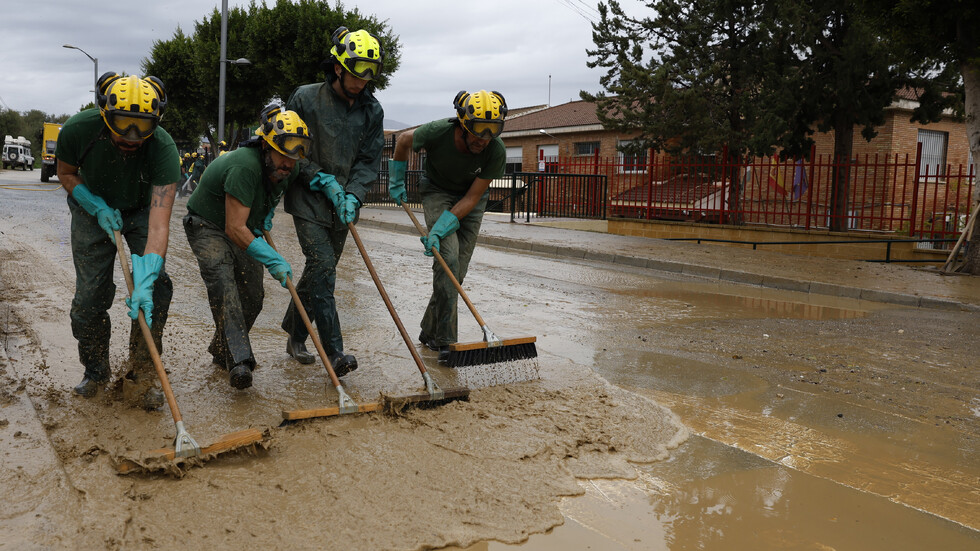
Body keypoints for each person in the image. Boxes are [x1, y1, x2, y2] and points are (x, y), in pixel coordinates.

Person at [56, 72, 180, 406]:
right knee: (89, 299)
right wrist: (95, 206)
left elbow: (158, 226)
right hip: (91, 206)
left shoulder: (165, 150)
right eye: (122, 123)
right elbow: (66, 173)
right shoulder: (78, 130)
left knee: (157, 289)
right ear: (104, 115)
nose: (132, 135)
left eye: (142, 126)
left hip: (141, 210)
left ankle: (139, 376)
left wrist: (147, 276)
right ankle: (95, 372)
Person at [279, 26, 385, 375]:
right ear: (338, 67)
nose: (363, 80)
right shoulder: (305, 98)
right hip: (307, 197)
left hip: (343, 205)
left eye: (370, 72)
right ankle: (335, 353)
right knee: (323, 266)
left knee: (319, 273)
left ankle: (295, 333)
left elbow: (369, 161)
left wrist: (353, 193)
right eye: (357, 71)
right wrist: (319, 178)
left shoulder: (372, 110)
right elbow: (288, 149)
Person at [183, 105, 311, 389]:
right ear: (266, 147)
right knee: (225, 284)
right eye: (283, 155)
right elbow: (233, 228)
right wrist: (272, 258)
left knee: (253, 295)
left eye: (294, 157)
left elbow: (268, 198)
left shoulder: (290, 166)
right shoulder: (244, 165)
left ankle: (222, 351)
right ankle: (240, 362)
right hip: (208, 225)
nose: (288, 164)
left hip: (244, 226)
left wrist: (264, 215)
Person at [388, 90, 508, 363]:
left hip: (471, 200)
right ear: (463, 124)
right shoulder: (439, 132)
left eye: (492, 132)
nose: (484, 139)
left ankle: (429, 330)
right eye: (478, 131)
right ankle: (446, 342)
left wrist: (440, 229)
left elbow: (472, 198)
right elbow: (404, 140)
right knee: (448, 261)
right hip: (437, 190)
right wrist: (397, 179)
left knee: (456, 273)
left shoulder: (496, 150)